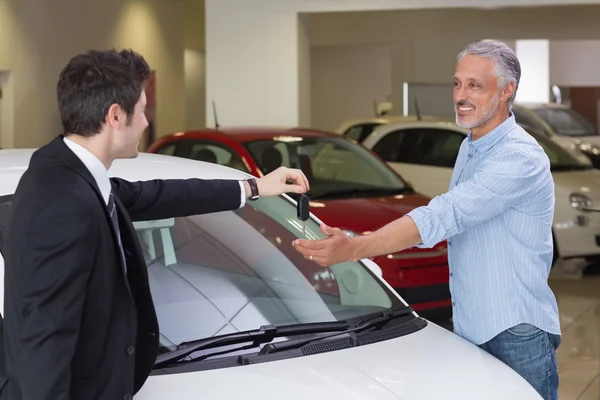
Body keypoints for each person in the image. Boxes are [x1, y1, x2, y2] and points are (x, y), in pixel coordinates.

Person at [0, 48, 309, 400]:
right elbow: (43, 340)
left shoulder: (70, 175)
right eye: (143, 111)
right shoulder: (62, 203)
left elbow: (155, 195)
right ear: (115, 116)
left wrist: (255, 187)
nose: (147, 122)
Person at [293, 39, 561, 400]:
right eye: (457, 83)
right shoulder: (471, 146)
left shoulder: (519, 157)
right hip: (473, 328)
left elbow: (444, 215)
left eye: (474, 85)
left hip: (515, 332)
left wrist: (356, 247)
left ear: (507, 90)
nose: (460, 95)